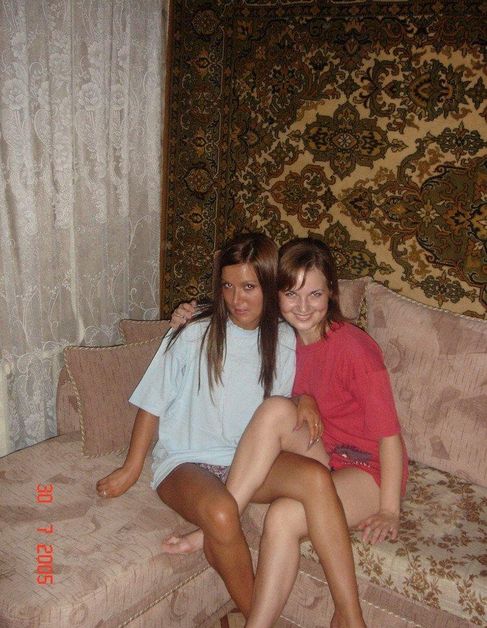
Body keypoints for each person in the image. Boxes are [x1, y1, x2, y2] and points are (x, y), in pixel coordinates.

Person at [95, 233, 365, 627]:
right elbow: (152, 402)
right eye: (228, 286)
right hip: (186, 463)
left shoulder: (285, 338)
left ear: (270, 286)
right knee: (222, 513)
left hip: (247, 463)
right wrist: (131, 467)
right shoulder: (193, 332)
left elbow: (289, 398)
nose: (237, 299)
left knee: (316, 478)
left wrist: (304, 399)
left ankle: (349, 615)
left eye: (249, 287)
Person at [169, 237, 407, 627]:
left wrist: (389, 510)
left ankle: (348, 618)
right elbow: (235, 316)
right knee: (277, 410)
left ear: (332, 293)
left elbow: (390, 437)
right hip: (323, 451)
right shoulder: (282, 336)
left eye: (315, 294)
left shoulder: (356, 350)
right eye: (291, 294)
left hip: (367, 468)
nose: (303, 307)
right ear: (276, 295)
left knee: (281, 517)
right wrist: (189, 313)